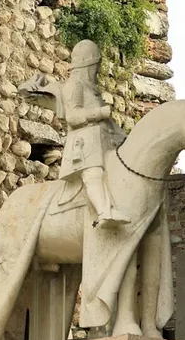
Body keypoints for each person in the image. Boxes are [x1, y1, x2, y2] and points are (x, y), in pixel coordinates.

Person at [24, 40, 129, 226]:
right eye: (95, 66)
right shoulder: (75, 85)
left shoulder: (91, 90)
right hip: (83, 143)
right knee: (93, 173)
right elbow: (73, 116)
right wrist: (100, 113)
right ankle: (104, 212)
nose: (96, 71)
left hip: (102, 141)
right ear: (87, 65)